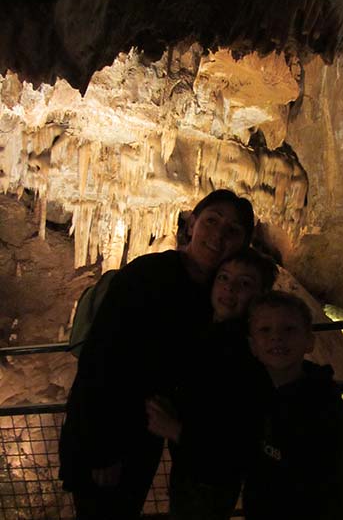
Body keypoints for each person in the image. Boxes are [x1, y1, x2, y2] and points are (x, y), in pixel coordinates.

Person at [58, 188, 255, 520]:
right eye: (212, 221)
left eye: (232, 230)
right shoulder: (146, 275)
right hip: (107, 434)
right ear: (191, 225)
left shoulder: (215, 294)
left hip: (148, 435)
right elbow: (101, 360)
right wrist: (101, 449)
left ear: (243, 244)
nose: (219, 235)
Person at [146, 248, 278, 520]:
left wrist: (177, 430)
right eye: (224, 277)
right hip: (191, 465)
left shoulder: (246, 353)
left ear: (261, 295)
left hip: (209, 477)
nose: (230, 288)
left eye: (244, 283)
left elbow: (236, 437)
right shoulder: (210, 331)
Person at [243, 290, 343, 520]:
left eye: (289, 329)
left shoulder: (327, 415)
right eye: (265, 330)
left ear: (309, 341)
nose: (277, 337)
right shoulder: (257, 397)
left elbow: (340, 491)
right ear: (252, 345)